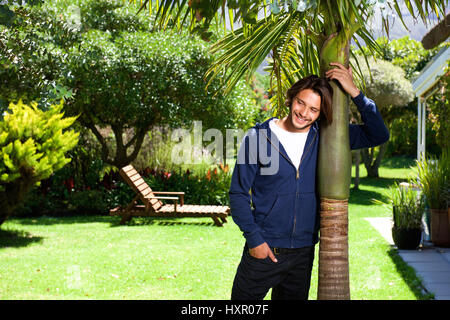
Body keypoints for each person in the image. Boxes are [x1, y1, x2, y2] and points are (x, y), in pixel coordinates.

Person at [228, 62, 390, 300]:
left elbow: (378, 133)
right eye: (301, 103)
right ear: (291, 98)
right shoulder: (258, 138)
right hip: (264, 249)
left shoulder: (327, 137)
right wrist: (255, 240)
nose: (304, 113)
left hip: (302, 254)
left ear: (320, 113)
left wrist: (355, 92)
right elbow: (238, 194)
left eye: (314, 109)